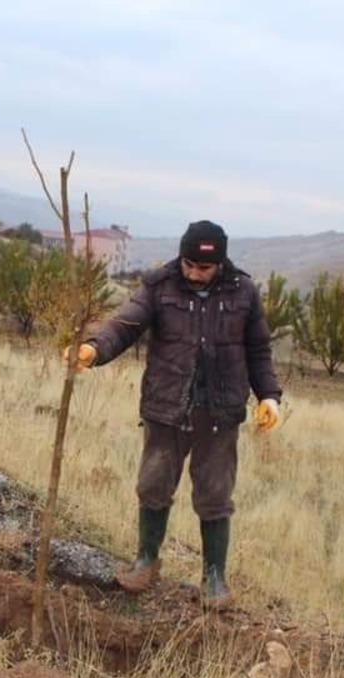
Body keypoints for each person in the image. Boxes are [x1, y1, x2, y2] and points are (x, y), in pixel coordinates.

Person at [67, 220, 282, 609]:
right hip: (166, 408)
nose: (195, 273)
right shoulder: (159, 285)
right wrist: (94, 350)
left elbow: (259, 351)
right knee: (152, 485)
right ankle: (146, 561)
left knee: (215, 495)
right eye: (189, 264)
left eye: (204, 268)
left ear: (220, 263)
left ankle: (214, 577)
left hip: (219, 412)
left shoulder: (244, 292)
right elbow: (124, 324)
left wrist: (269, 396)